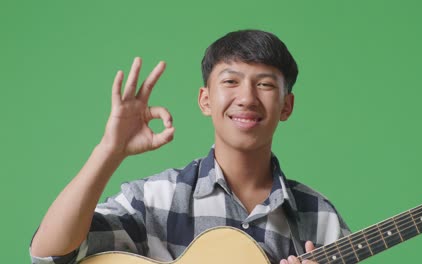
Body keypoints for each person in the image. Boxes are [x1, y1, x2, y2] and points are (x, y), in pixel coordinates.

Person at [30, 30, 350, 264]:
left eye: (265, 84)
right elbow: (50, 255)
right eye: (230, 81)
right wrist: (109, 151)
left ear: (287, 106)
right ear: (205, 100)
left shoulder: (319, 217)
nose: (248, 98)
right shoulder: (157, 200)